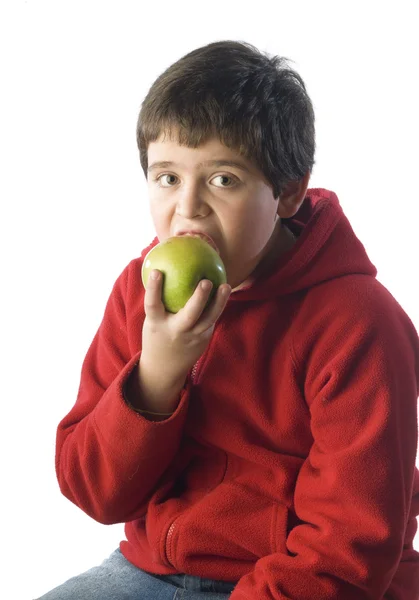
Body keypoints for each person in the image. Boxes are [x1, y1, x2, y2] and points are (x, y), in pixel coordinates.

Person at [36, 40, 419, 600]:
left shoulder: (359, 323)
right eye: (167, 177)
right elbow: (94, 492)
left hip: (303, 584)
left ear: (288, 192)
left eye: (223, 179)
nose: (187, 208)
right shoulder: (142, 290)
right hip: (151, 572)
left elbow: (349, 546)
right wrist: (155, 380)